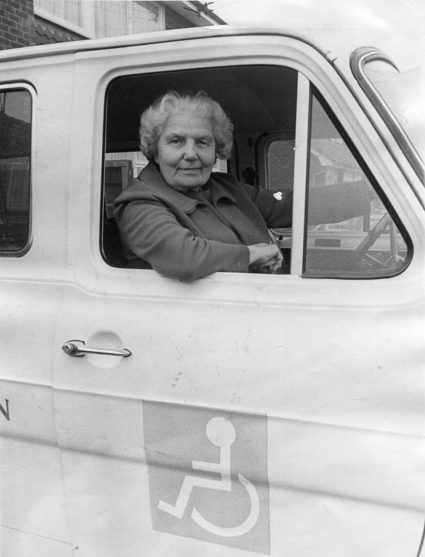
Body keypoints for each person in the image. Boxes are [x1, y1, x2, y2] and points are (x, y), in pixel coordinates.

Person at [113, 90, 370, 281]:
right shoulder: (138, 201)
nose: (191, 154)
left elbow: (290, 204)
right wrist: (251, 255)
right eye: (176, 141)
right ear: (155, 150)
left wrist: (369, 193)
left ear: (217, 151)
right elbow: (182, 255)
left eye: (202, 142)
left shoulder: (226, 187)